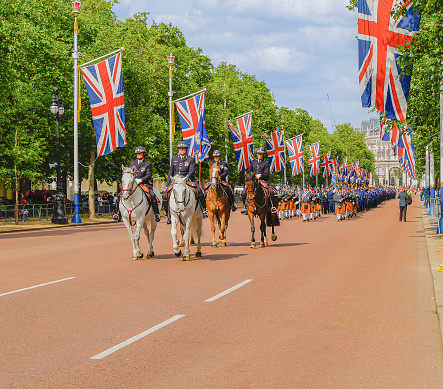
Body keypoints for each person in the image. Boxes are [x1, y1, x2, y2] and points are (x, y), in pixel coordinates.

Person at [163, 141, 208, 224]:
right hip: (176, 181)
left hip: (187, 179)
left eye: (183, 148)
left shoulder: (190, 159)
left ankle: (204, 209)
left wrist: (185, 178)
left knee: (199, 190)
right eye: (180, 148)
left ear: (186, 149)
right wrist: (168, 184)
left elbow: (192, 170)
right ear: (178, 149)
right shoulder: (174, 158)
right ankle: (168, 214)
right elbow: (171, 171)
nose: (182, 150)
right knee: (165, 194)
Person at [128, 146, 161, 222]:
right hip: (133, 184)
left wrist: (141, 180)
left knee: (152, 195)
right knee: (121, 194)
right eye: (137, 153)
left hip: (143, 183)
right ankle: (118, 214)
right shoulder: (132, 163)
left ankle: (156, 214)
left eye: (140, 153)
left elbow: (149, 175)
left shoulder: (147, 163)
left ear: (143, 154)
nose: (139, 154)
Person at [241, 147, 277, 214]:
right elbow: (250, 171)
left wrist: (260, 175)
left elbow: (267, 174)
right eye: (258, 154)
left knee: (271, 191)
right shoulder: (253, 162)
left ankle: (272, 207)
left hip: (263, 180)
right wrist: (250, 175)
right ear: (257, 154)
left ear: (263, 155)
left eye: (261, 154)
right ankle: (245, 207)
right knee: (243, 192)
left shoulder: (265, 163)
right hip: (253, 181)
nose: (260, 155)